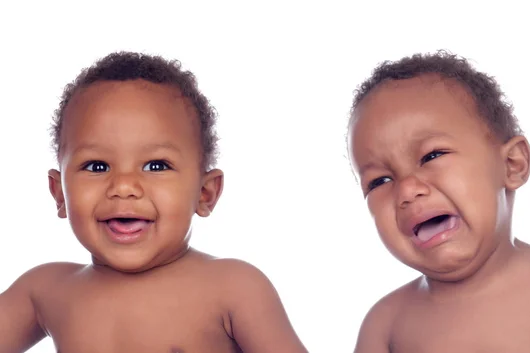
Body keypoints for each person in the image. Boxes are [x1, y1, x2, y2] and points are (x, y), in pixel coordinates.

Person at [0, 51, 308, 353]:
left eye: (156, 165)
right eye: (97, 166)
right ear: (60, 193)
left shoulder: (234, 289)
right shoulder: (45, 291)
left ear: (205, 193)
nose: (123, 186)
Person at [348, 50, 530, 352]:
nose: (407, 190)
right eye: (380, 181)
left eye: (432, 156)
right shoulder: (385, 325)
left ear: (511, 164)